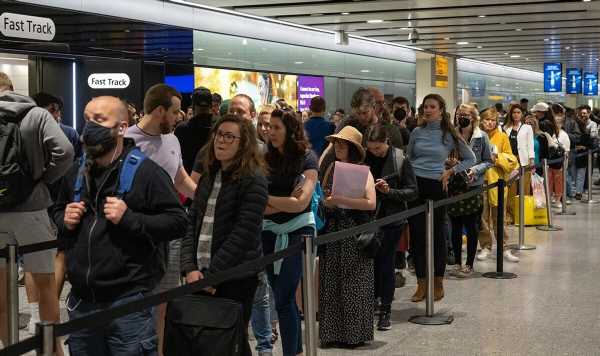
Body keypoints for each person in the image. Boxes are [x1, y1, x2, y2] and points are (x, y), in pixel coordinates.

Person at [52, 96, 187, 355]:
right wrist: (63, 217)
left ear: (122, 127)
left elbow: (178, 221)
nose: (91, 126)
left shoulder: (146, 172)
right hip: (82, 302)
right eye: (87, 119)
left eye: (100, 120)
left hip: (128, 305)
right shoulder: (76, 171)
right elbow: (58, 211)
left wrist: (131, 219)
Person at [180, 114, 268, 356]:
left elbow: (244, 234)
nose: (221, 141)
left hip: (235, 277)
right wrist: (189, 267)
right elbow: (192, 223)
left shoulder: (255, 180)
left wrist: (212, 276)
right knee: (206, 344)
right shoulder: (209, 175)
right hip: (199, 274)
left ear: (244, 143)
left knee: (231, 342)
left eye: (229, 136)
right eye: (219, 134)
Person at [0, 73, 73, 352]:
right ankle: (52, 350)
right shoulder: (35, 114)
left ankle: (9, 347)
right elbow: (65, 151)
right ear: (12, 89)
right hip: (32, 209)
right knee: (45, 284)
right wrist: (42, 179)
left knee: (1, 293)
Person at [125, 84, 197, 355]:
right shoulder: (126, 140)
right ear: (159, 111)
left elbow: (180, 178)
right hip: (135, 235)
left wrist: (205, 199)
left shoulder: (173, 140)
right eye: (176, 112)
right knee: (135, 302)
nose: (180, 117)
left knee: (165, 302)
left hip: (169, 234)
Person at [406, 94, 476, 302]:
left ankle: (437, 281)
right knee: (417, 236)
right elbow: (409, 158)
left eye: (432, 107)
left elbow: (470, 158)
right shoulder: (417, 132)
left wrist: (450, 172)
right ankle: (421, 283)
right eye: (425, 107)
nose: (427, 110)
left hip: (437, 186)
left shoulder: (449, 134)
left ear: (440, 109)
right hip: (416, 186)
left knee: (437, 236)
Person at [262, 109, 318, 356]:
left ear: (290, 130)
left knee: (284, 297)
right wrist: (282, 201)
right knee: (281, 296)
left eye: (276, 127)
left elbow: (301, 203)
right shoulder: (265, 159)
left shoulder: (307, 159)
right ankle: (295, 351)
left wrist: (268, 201)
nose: (270, 132)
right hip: (269, 232)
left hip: (299, 231)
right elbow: (257, 204)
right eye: (268, 127)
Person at [318, 125, 376, 348]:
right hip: (332, 231)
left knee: (354, 284)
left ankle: (353, 334)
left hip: (353, 232)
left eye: (343, 143)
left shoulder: (363, 171)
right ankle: (331, 333)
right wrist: (326, 200)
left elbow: (370, 203)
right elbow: (323, 196)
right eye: (336, 143)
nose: (338, 147)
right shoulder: (331, 167)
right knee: (331, 282)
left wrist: (342, 199)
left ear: (352, 147)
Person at [364, 126, 418, 331]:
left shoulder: (400, 159)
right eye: (371, 149)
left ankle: (385, 309)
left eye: (378, 148)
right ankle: (373, 303)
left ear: (387, 141)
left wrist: (390, 191)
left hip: (392, 219)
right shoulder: (364, 159)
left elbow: (412, 192)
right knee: (371, 263)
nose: (375, 152)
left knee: (385, 263)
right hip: (368, 218)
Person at [448, 104, 493, 278]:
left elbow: (489, 160)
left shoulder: (481, 137)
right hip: (454, 185)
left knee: (472, 225)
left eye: (466, 114)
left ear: (474, 118)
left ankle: (469, 263)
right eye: (459, 114)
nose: (462, 117)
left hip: (473, 185)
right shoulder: (452, 135)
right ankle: (457, 262)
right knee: (456, 226)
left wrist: (475, 170)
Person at [477, 108, 520, 263]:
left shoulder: (502, 137)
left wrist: (497, 158)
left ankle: (505, 247)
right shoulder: (476, 136)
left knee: (499, 217)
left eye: (493, 120)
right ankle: (485, 246)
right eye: (487, 119)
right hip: (480, 182)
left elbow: (512, 160)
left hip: (498, 182)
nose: (490, 122)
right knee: (482, 218)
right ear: (481, 120)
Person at [502, 103, 535, 221]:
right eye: (514, 112)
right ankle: (510, 215)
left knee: (524, 188)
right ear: (510, 114)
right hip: (510, 162)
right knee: (511, 189)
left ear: (522, 114)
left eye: (518, 112)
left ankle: (522, 215)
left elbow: (530, 145)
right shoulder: (505, 128)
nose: (516, 115)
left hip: (524, 161)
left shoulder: (527, 128)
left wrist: (532, 160)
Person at [175, 87, 214, 174]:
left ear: (192, 106)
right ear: (211, 105)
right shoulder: (218, 128)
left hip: (186, 178)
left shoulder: (181, 129)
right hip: (212, 179)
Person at [31, 92, 81, 161]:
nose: (57, 115)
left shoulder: (70, 133)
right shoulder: (30, 132)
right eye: (52, 110)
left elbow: (78, 161)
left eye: (58, 110)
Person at [573, 106, 598, 199]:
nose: (583, 115)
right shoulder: (577, 124)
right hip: (579, 151)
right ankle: (580, 189)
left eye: (585, 113)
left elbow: (593, 136)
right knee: (578, 172)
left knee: (584, 172)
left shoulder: (592, 124)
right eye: (581, 113)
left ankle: (582, 190)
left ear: (589, 113)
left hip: (587, 151)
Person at [551, 104, 571, 209]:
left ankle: (558, 199)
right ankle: (550, 197)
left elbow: (566, 152)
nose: (557, 123)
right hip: (549, 163)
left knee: (559, 181)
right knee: (549, 180)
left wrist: (565, 166)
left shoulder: (564, 135)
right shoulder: (549, 133)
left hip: (560, 164)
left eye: (559, 122)